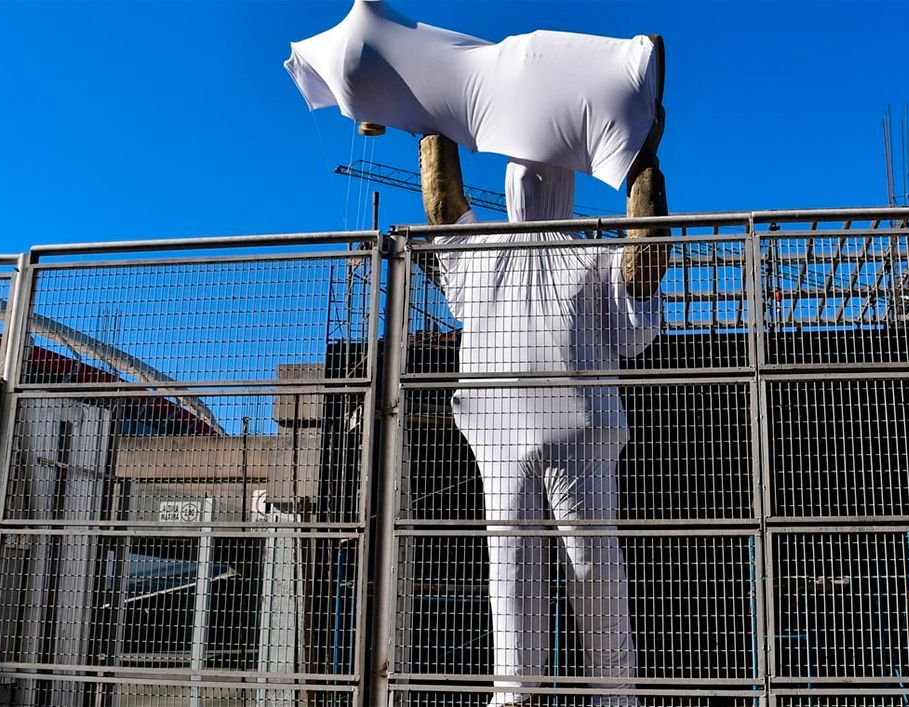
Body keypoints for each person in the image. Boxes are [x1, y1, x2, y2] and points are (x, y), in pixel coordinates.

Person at [287, 4, 671, 705]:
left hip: (564, 432)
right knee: (519, 569)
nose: (531, 182)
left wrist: (426, 106)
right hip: (511, 432)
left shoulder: (579, 259)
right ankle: (528, 692)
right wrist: (425, 103)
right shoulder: (496, 254)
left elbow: (638, 266)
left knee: (581, 566)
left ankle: (608, 693)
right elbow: (447, 205)